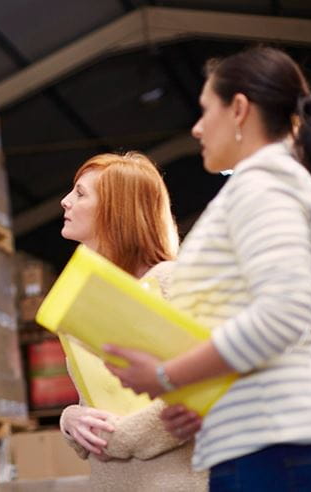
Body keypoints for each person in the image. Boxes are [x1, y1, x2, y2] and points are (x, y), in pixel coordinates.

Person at [104, 47, 311, 491]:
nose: (196, 127)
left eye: (206, 110)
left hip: (279, 446)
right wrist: (210, 397)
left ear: (240, 109)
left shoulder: (264, 183)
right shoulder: (269, 183)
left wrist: (168, 376)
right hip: (262, 441)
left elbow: (285, 311)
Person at [58, 152, 208, 491]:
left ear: (116, 209)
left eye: (81, 194)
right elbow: (96, 396)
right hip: (110, 481)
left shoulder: (173, 282)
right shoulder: (89, 299)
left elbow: (203, 389)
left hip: (175, 480)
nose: (65, 201)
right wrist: (71, 420)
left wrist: (121, 438)